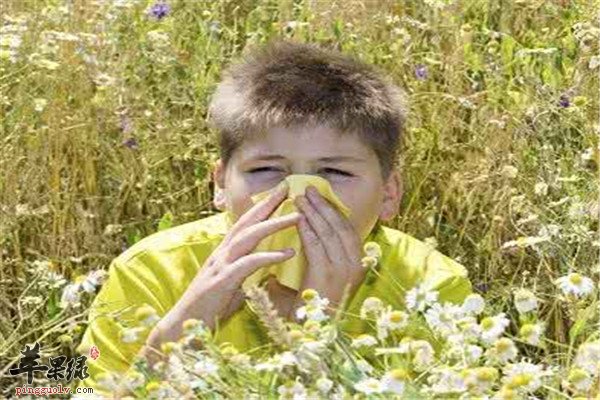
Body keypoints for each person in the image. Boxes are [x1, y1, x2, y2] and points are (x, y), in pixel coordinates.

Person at [75, 40, 472, 395]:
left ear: (389, 194)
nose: (298, 193)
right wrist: (184, 327)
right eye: (267, 170)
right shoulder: (150, 270)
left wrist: (320, 327)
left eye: (334, 172)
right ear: (219, 184)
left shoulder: (432, 285)